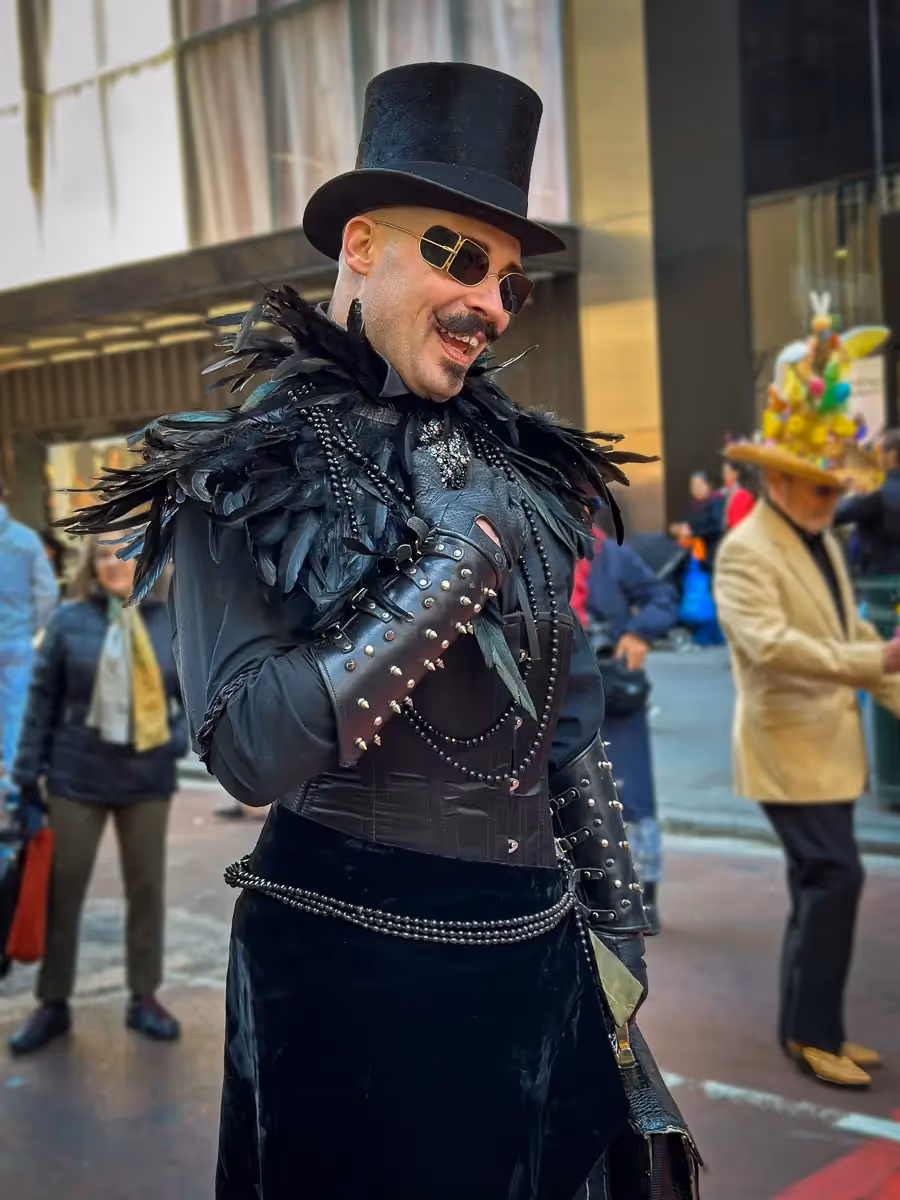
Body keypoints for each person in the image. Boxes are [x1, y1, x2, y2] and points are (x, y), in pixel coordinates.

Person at [59, 63, 672, 1200]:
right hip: (348, 979)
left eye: (509, 281)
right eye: (456, 256)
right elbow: (246, 746)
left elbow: (568, 725)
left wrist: (616, 944)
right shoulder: (247, 462)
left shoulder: (520, 468)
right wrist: (448, 570)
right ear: (359, 246)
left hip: (542, 964)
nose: (489, 300)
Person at [716, 299, 900, 1090]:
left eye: (833, 490)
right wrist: (878, 663)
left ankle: (811, 1029)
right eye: (819, 489)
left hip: (820, 744)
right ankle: (810, 1035)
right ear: (779, 480)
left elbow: (852, 631)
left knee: (823, 883)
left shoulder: (816, 535)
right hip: (787, 747)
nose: (832, 501)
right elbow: (772, 649)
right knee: (833, 879)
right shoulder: (745, 550)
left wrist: (885, 673)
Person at [7, 536, 186, 1056]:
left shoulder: (169, 620)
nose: (114, 564)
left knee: (147, 891)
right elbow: (40, 701)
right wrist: (25, 781)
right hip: (75, 780)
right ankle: (53, 1003)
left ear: (142, 559)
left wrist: (177, 738)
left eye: (124, 553)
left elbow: (197, 695)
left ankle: (144, 997)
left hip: (145, 781)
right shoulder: (68, 622)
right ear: (91, 564)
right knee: (63, 893)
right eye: (104, 555)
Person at [575, 533, 678, 933]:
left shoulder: (610, 555)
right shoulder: (533, 544)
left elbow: (661, 597)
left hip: (612, 688)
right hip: (559, 689)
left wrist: (638, 634)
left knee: (630, 794)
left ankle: (641, 896)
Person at [0, 478, 58, 793]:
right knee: (16, 717)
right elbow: (47, 592)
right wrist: (33, 626)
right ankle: (14, 788)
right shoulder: (25, 539)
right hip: (16, 640)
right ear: (5, 495)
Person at [833, 428, 900, 575]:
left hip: (879, 584)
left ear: (892, 456)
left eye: (879, 451)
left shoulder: (877, 491)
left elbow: (834, 514)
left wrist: (835, 488)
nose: (875, 457)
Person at [669, 470, 725, 570]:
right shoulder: (695, 504)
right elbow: (693, 524)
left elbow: (716, 527)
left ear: (707, 485)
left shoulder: (715, 501)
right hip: (694, 554)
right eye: (692, 485)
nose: (695, 488)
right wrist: (680, 528)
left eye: (698, 485)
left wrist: (692, 532)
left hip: (709, 555)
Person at [721, 460, 754, 529]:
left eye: (728, 472)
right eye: (724, 472)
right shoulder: (720, 493)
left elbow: (737, 522)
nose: (725, 475)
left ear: (736, 473)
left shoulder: (742, 495)